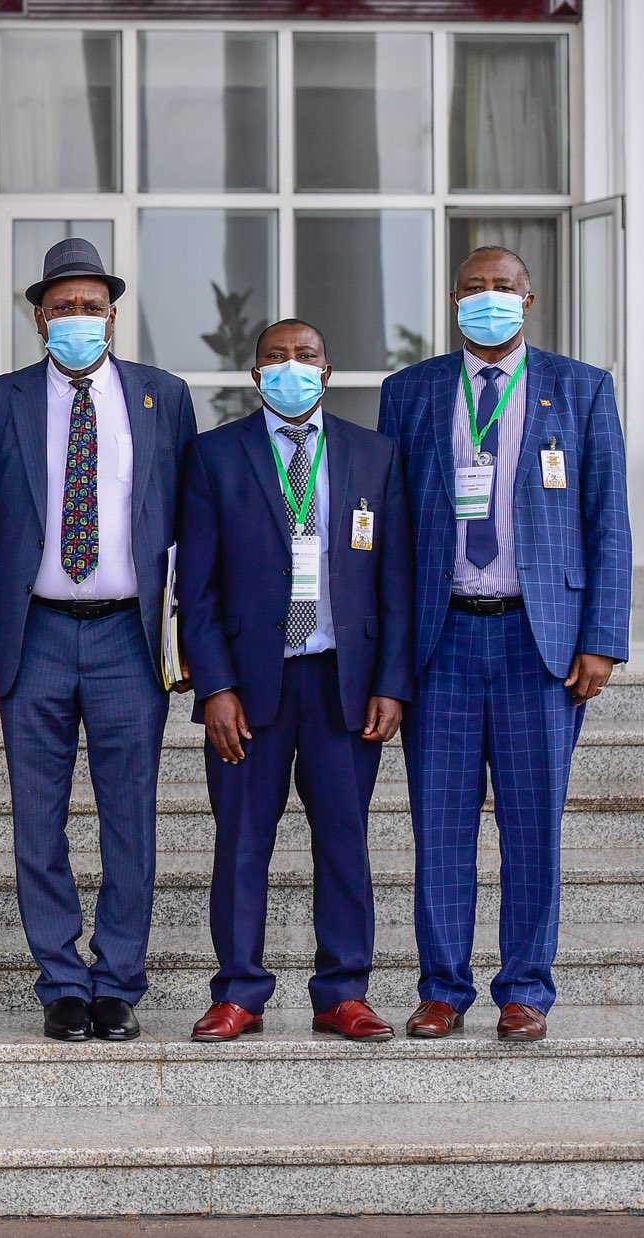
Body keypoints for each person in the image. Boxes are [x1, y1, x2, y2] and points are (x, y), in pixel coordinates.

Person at [379, 245, 631, 1043]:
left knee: (533, 830)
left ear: (530, 298)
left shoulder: (581, 389)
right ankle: (443, 989)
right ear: (453, 300)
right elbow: (386, 534)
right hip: (441, 638)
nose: (487, 299)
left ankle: (525, 989)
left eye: (502, 287)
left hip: (540, 643)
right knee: (440, 828)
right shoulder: (410, 392)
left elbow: (609, 523)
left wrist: (603, 639)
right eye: (472, 288)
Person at [0, 237, 196, 1044]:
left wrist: (186, 637)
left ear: (112, 315)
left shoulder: (162, 398)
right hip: (36, 635)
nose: (77, 319)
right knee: (39, 819)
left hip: (128, 642)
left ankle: (119, 980)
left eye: (91, 308)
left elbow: (186, 528)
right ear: (38, 317)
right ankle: (62, 980)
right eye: (62, 308)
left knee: (129, 816)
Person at [175, 319, 414, 1043]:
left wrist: (392, 682)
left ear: (327, 370)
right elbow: (197, 585)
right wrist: (214, 686)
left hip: (345, 683)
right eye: (275, 358)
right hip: (250, 690)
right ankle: (239, 992)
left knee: (344, 841)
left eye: (304, 356)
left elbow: (396, 579)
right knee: (242, 842)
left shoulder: (375, 456)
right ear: (255, 377)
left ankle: (342, 992)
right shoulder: (215, 456)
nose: (291, 368)